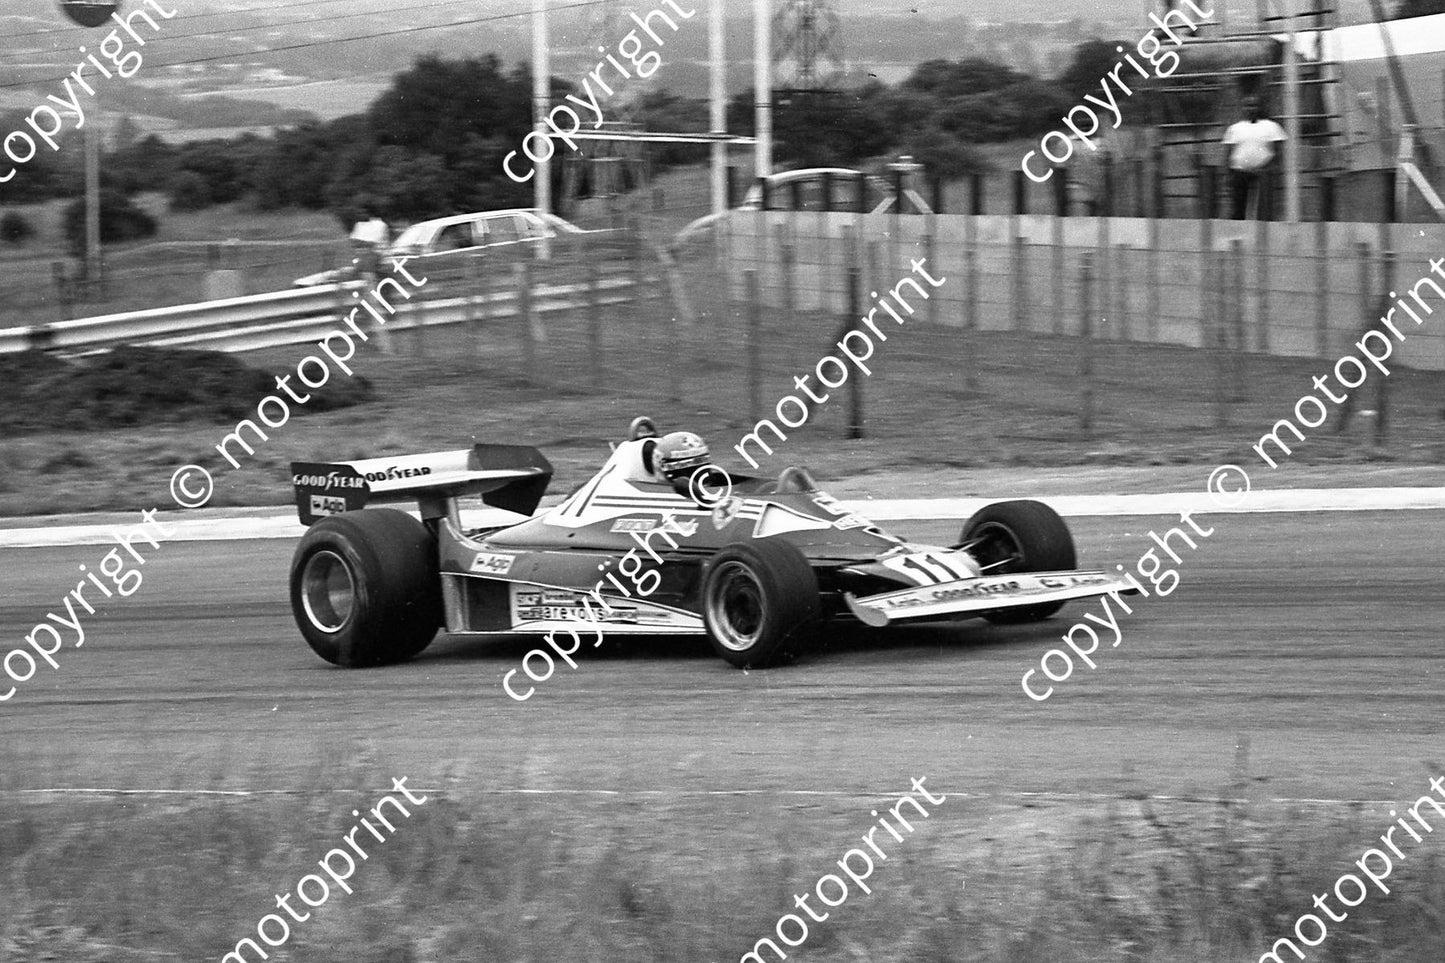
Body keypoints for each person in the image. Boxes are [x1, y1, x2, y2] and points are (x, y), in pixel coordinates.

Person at [1222, 100, 1287, 220]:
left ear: (1259, 107)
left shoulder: (1271, 127)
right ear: (1243, 108)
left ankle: (1264, 230)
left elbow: (1279, 151)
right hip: (1240, 172)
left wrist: (1268, 167)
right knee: (1238, 208)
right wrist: (1227, 174)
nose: (1251, 109)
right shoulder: (1235, 128)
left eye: (1254, 105)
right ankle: (1239, 229)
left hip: (1263, 173)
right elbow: (1228, 152)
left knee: (1264, 209)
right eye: (1248, 106)